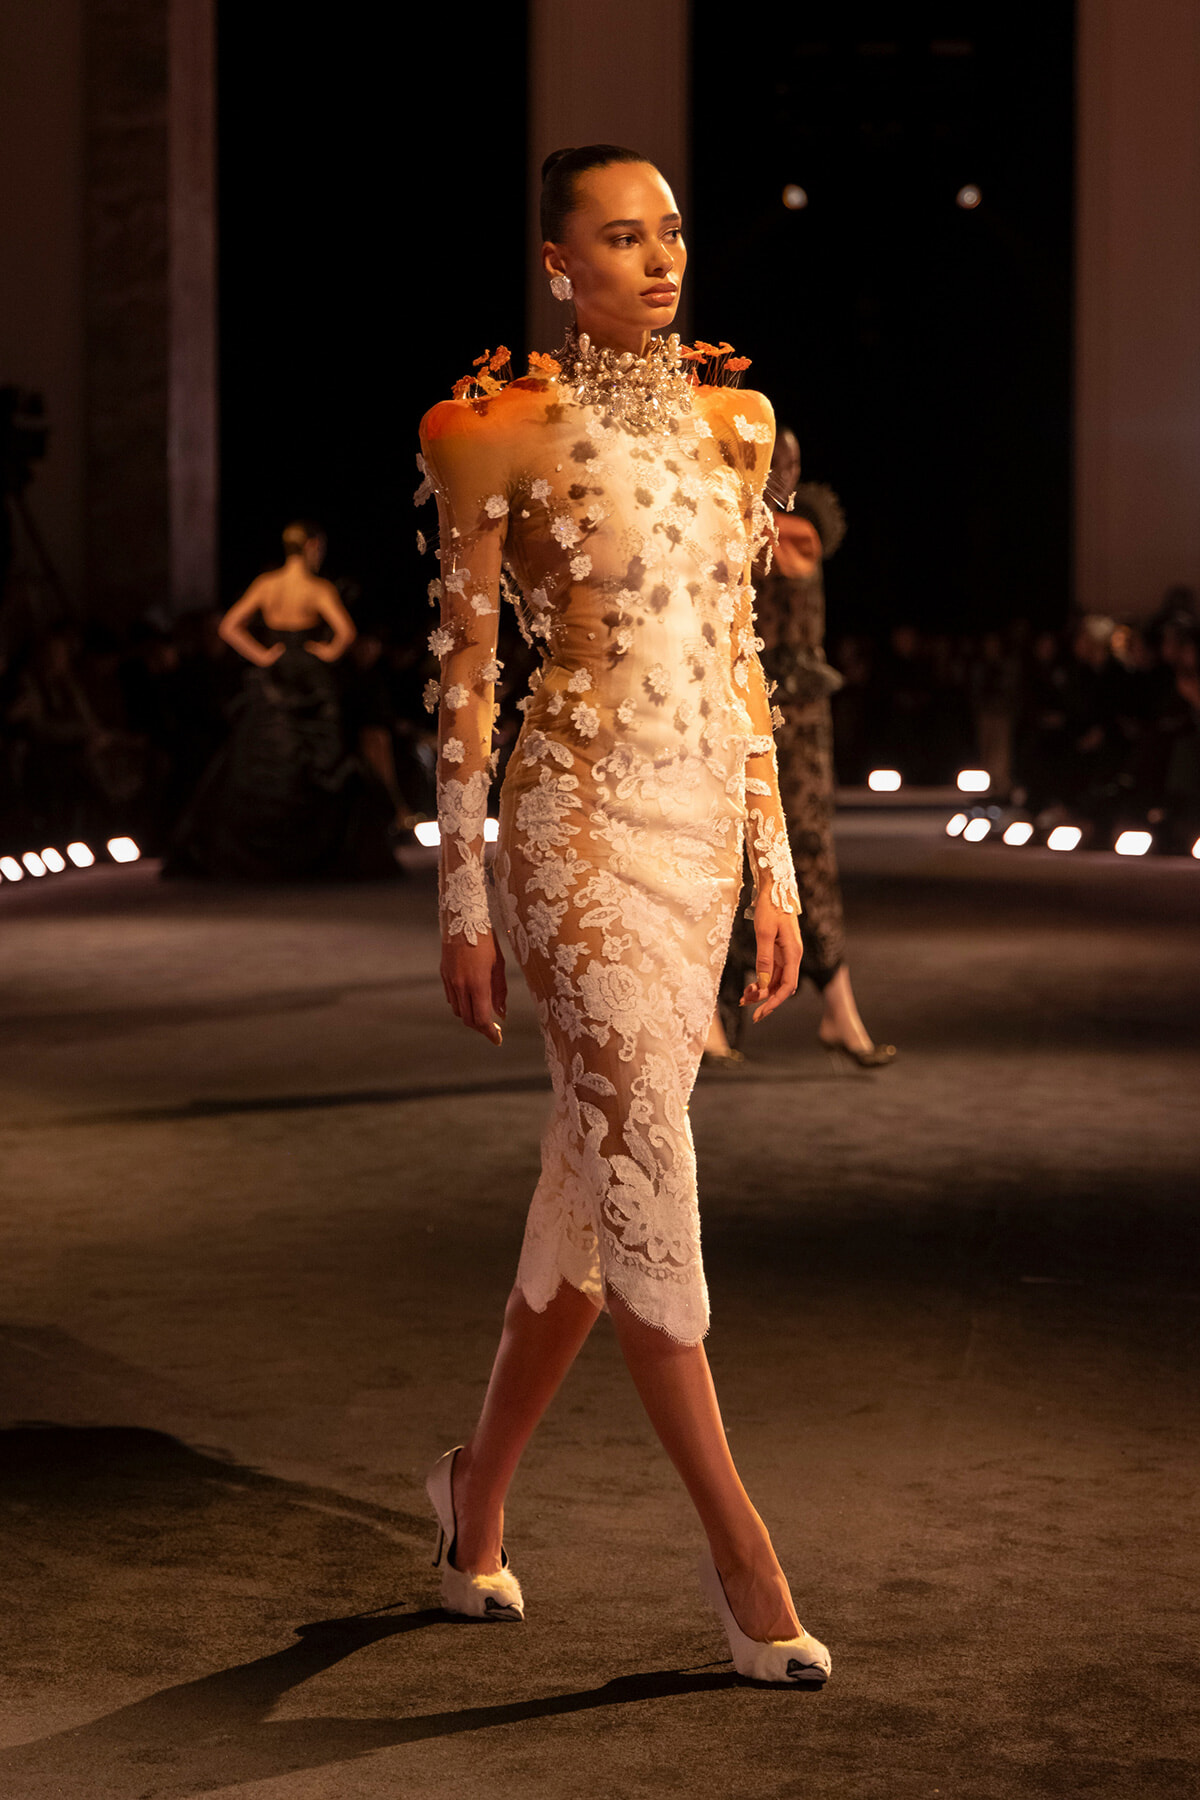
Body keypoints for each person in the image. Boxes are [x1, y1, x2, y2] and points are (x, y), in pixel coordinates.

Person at [415, 144, 831, 1685]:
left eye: (668, 232)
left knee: (584, 1197)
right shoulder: (485, 429)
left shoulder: (742, 424)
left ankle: (473, 1506)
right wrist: (466, 897)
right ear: (554, 263)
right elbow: (465, 685)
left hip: (695, 841)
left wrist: (771, 872)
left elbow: (742, 666)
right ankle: (744, 1557)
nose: (659, 260)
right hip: (576, 834)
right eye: (619, 235)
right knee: (649, 1163)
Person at [706, 436, 894, 1070]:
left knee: (805, 855)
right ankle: (715, 1019)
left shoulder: (790, 530)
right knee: (727, 853)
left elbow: (774, 557)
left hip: (797, 719)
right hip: (737, 705)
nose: (778, 466)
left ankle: (838, 1009)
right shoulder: (727, 521)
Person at [165, 523, 393, 879]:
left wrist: (262, 656)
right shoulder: (318, 588)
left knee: (261, 749)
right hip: (307, 671)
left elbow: (228, 626)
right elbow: (345, 632)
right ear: (313, 546)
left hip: (275, 673)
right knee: (317, 755)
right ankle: (315, 852)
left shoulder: (267, 584)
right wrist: (327, 652)